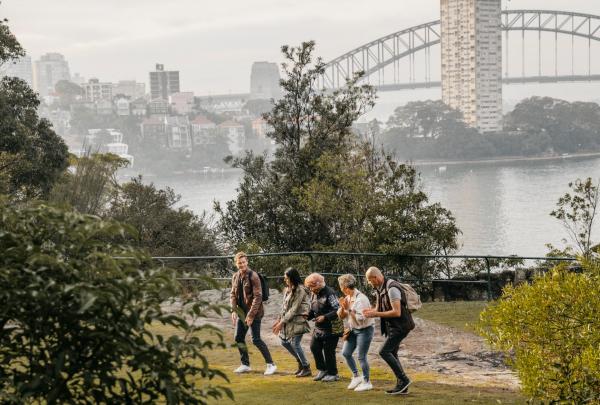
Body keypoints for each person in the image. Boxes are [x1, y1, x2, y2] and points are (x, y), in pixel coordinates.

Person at [363, 266, 415, 395]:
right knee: (392, 352)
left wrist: (376, 315)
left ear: (375, 277)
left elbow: (396, 312)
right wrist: (372, 311)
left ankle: (404, 379)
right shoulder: (380, 288)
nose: (370, 283)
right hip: (394, 326)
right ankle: (402, 385)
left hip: (401, 326)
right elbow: (381, 307)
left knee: (384, 352)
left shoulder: (392, 288)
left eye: (370, 280)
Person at [230, 251, 277, 375]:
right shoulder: (235, 276)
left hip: (255, 312)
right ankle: (245, 365)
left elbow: (258, 297)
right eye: (239, 263)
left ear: (247, 262)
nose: (242, 265)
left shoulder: (253, 276)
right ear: (236, 264)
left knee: (256, 339)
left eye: (243, 262)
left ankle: (271, 365)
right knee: (238, 337)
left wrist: (250, 315)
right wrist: (234, 310)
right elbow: (232, 294)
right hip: (241, 312)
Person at [337, 274, 375, 392]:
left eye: (341, 287)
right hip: (353, 330)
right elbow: (340, 316)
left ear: (346, 287)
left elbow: (360, 320)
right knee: (346, 353)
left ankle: (367, 382)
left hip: (365, 330)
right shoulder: (348, 297)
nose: (341, 289)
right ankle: (356, 377)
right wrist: (343, 308)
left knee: (361, 356)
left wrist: (348, 309)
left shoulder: (361, 299)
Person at [272, 267, 312, 377]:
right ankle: (300, 362)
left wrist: (281, 323)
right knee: (284, 342)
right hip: (288, 321)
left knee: (296, 344)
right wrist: (279, 319)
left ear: (292, 278)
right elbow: (284, 307)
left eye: (287, 278)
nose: (285, 280)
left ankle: (306, 367)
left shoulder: (300, 290)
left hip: (298, 320)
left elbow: (294, 309)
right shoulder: (287, 289)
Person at [305, 273, 341, 382]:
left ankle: (333, 373)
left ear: (319, 284)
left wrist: (325, 317)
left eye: (312, 287)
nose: (311, 290)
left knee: (328, 351)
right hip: (318, 327)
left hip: (332, 327)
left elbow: (337, 310)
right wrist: (307, 315)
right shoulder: (313, 293)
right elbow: (313, 308)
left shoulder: (330, 293)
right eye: (309, 287)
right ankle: (322, 369)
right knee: (314, 347)